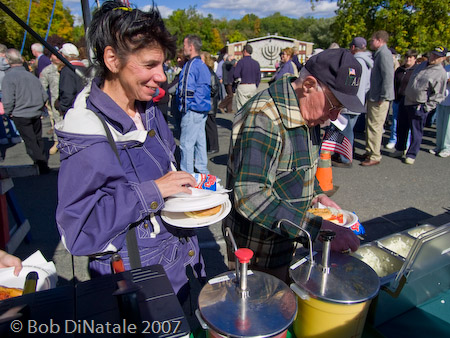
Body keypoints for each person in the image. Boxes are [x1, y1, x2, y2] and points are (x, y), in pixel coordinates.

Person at [55, 2, 205, 299]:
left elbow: (165, 172)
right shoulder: (88, 131)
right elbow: (80, 233)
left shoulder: (148, 108)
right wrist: (153, 191)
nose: (162, 76)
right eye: (150, 65)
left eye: (162, 64)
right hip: (137, 284)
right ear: (112, 59)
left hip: (180, 263)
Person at [223, 48, 363, 282]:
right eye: (333, 105)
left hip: (289, 237)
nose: (334, 116)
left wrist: (317, 195)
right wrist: (318, 230)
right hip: (258, 250)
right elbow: (249, 196)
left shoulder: (307, 110)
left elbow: (300, 168)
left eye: (340, 109)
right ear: (308, 85)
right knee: (263, 310)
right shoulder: (264, 117)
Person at [391, 46, 447, 164]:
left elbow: (438, 95)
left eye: (437, 56)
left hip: (419, 104)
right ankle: (400, 149)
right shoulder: (422, 64)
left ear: (442, 58)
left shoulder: (440, 73)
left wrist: (426, 107)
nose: (433, 57)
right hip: (406, 100)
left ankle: (411, 154)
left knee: (416, 131)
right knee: (402, 126)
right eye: (432, 54)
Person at [2, 48, 50, 174]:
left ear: (7, 60)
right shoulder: (30, 76)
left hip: (20, 113)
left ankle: (41, 164)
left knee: (30, 141)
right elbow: (43, 95)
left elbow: (8, 99)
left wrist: (8, 112)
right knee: (37, 138)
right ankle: (42, 162)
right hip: (35, 111)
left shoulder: (9, 77)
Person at [332, 37, 373, 168]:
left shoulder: (354, 62)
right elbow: (367, 85)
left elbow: (348, 83)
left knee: (345, 130)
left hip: (348, 102)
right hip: (359, 101)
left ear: (353, 48)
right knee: (347, 129)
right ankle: (342, 153)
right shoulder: (368, 63)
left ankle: (345, 158)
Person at [176, 34, 211, 174]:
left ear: (191, 47)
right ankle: (203, 171)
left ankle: (187, 175)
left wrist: (184, 107)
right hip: (202, 108)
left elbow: (186, 89)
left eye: (185, 46)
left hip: (193, 109)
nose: (183, 48)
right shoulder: (203, 65)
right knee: (200, 142)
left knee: (186, 144)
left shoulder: (190, 65)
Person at [361, 30, 394, 166]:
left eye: (372, 40)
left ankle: (375, 155)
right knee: (370, 125)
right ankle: (370, 151)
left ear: (379, 40)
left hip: (379, 98)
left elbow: (388, 76)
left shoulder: (384, 54)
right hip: (374, 96)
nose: (370, 42)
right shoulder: (379, 54)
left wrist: (384, 96)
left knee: (375, 126)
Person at [386, 49, 417, 149]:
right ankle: (393, 140)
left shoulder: (416, 71)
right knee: (395, 121)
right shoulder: (400, 70)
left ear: (414, 59)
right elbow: (394, 83)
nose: (408, 59)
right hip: (398, 98)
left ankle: (406, 142)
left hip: (409, 100)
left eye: (410, 58)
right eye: (406, 57)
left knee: (407, 123)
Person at [40, 51, 62, 155]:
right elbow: (42, 87)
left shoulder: (67, 67)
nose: (57, 57)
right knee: (57, 122)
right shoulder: (48, 70)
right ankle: (57, 142)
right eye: (55, 54)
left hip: (70, 100)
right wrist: (43, 100)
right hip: (55, 101)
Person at [0, 43, 21, 145]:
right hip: (9, 89)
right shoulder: (10, 63)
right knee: (11, 112)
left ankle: (2, 136)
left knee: (0, 115)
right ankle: (15, 134)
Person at [57, 43, 86, 115]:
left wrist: (62, 107)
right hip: (86, 107)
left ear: (63, 55)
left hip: (73, 110)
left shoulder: (67, 70)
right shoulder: (85, 69)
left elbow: (67, 92)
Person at [430, 56, 450, 158]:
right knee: (440, 124)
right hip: (442, 100)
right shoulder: (445, 68)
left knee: (448, 127)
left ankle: (446, 148)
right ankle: (439, 145)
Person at [200, 51, 220, 154]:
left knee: (211, 126)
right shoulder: (207, 72)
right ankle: (211, 145)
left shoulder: (209, 73)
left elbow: (214, 88)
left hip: (210, 104)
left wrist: (203, 93)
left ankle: (214, 147)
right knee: (208, 126)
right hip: (208, 103)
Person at [233, 44, 261, 111]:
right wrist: (255, 85)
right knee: (251, 106)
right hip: (253, 86)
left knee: (241, 107)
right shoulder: (256, 63)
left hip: (243, 85)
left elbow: (236, 74)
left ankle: (242, 121)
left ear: (244, 51)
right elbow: (259, 77)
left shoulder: (241, 62)